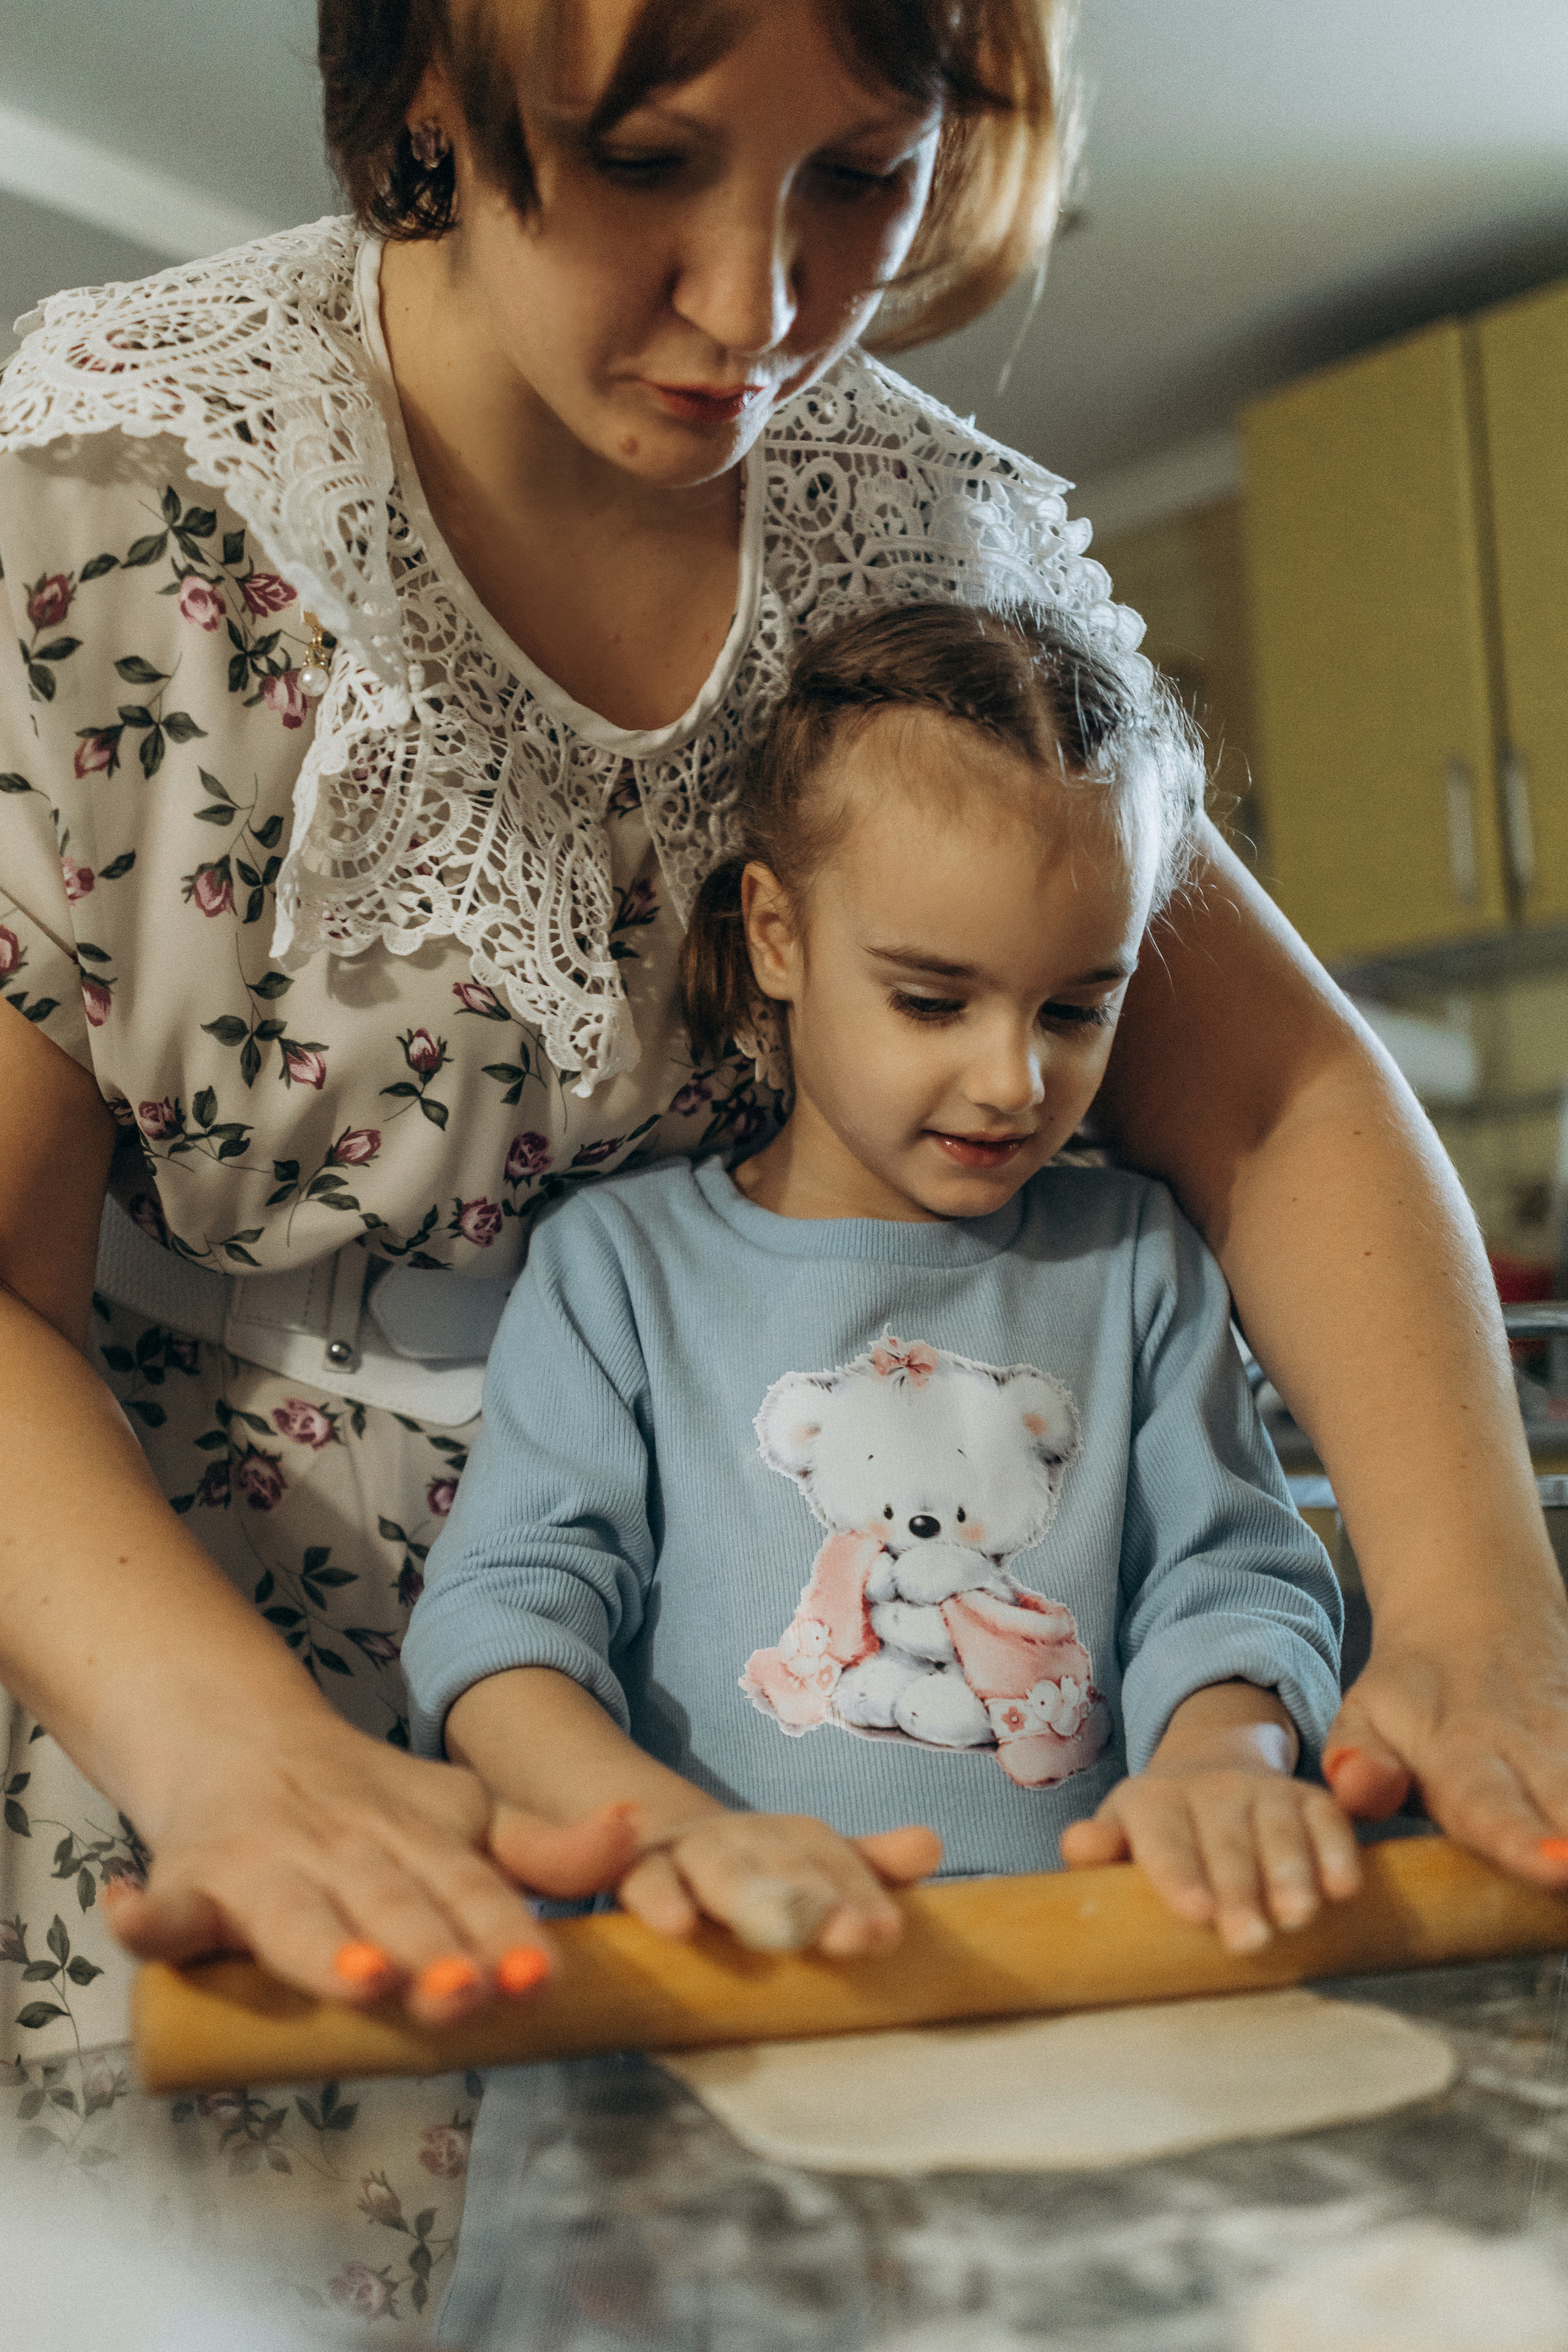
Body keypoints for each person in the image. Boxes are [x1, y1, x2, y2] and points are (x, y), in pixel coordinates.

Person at [0, 0, 1561, 2318]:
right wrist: (233, 1749)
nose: (760, 306)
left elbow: (1279, 1094)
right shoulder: (110, 508)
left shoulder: (927, 537)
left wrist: (1470, 1606)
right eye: (646, 163)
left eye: (862, 174)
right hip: (216, 1709)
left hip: (797, 1828)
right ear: (428, 89)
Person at [402, 600, 1363, 1962]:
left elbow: (1230, 1591)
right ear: (778, 935)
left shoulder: (1137, 1260)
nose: (1011, 1080)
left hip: (1080, 1979)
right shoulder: (619, 1273)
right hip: (717, 1990)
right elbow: (504, 1624)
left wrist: (1223, 1768)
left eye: (1075, 1008)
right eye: (931, 999)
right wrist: (666, 1836)